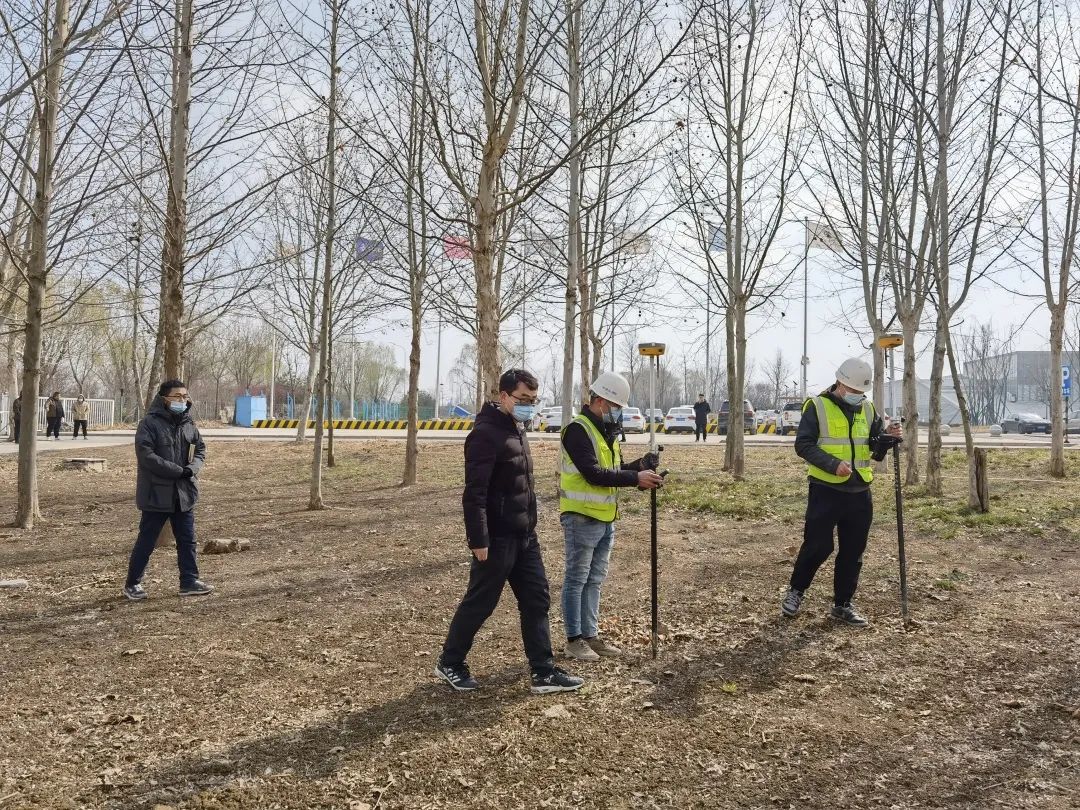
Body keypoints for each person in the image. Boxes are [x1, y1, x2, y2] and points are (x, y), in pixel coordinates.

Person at [436, 368, 583, 694]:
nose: (529, 405)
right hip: (498, 538)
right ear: (503, 396)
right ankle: (450, 661)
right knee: (481, 601)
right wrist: (479, 539)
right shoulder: (486, 433)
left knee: (536, 599)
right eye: (523, 399)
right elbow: (474, 493)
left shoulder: (516, 428)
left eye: (534, 400)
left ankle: (543, 672)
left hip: (525, 536)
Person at [781, 358, 902, 626]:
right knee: (818, 546)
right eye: (854, 391)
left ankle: (843, 604)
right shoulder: (817, 406)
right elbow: (803, 445)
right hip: (826, 489)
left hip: (860, 491)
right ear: (840, 383)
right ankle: (796, 592)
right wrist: (833, 465)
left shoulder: (868, 409)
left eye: (862, 392)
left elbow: (875, 450)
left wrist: (888, 439)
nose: (858, 396)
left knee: (853, 550)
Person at [559, 372, 664, 661]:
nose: (618, 412)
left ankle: (590, 636)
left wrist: (641, 465)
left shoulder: (607, 433)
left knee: (594, 580)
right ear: (602, 402)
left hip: (606, 517)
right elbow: (593, 473)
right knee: (576, 579)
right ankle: (573, 640)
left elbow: (615, 469)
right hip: (581, 517)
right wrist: (635, 477)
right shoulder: (577, 430)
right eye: (616, 406)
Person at [123, 379, 213, 600]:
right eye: (177, 397)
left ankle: (189, 581)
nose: (182, 400)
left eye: (185, 396)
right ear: (164, 399)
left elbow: (200, 449)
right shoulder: (149, 424)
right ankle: (132, 583)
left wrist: (193, 469)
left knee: (187, 539)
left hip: (184, 494)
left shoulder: (189, 423)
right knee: (147, 539)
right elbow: (147, 456)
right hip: (157, 493)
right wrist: (177, 471)